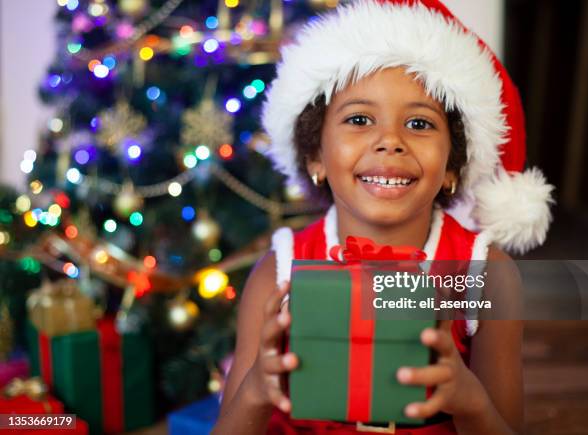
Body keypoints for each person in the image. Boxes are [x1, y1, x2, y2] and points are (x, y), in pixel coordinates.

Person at [212, 0, 554, 433]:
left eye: (420, 124)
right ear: (314, 154)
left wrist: (470, 402)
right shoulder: (278, 272)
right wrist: (257, 392)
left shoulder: (485, 276)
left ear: (454, 165)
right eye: (359, 119)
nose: (389, 141)